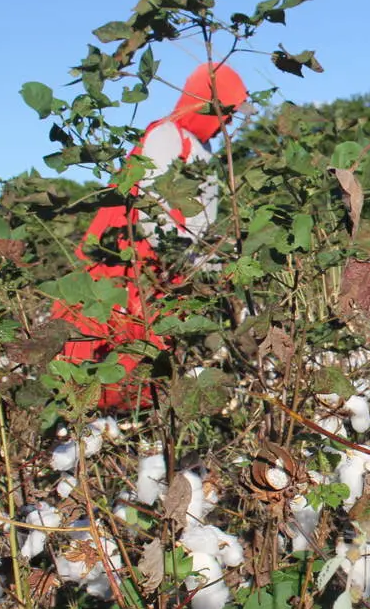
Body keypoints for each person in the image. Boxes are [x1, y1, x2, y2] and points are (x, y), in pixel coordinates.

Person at [52, 62, 248, 411]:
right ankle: (95, 417)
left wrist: (207, 262)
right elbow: (148, 207)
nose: (229, 122)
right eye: (226, 111)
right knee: (113, 336)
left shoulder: (202, 149)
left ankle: (136, 423)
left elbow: (202, 222)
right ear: (205, 102)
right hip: (135, 258)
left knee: (151, 351)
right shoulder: (166, 136)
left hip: (172, 265)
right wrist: (183, 259)